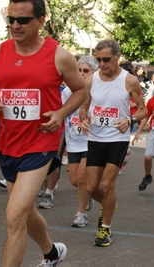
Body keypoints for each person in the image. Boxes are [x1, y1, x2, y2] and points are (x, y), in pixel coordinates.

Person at [0, 0, 87, 265]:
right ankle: (52, 253)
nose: (15, 25)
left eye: (23, 20)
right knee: (26, 213)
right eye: (11, 20)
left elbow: (81, 90)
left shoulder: (58, 55)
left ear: (40, 21)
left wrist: (61, 113)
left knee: (14, 215)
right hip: (8, 143)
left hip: (41, 142)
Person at [80, 39, 146, 247]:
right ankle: (109, 205)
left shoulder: (129, 81)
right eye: (99, 60)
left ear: (117, 57)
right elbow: (83, 107)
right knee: (91, 188)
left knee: (107, 185)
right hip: (95, 138)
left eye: (106, 59)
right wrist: (84, 119)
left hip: (117, 139)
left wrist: (129, 120)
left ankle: (105, 229)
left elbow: (143, 110)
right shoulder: (91, 80)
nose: (102, 64)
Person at [61, 55, 98, 227]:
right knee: (75, 181)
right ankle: (90, 196)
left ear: (93, 73)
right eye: (79, 70)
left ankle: (81, 214)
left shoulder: (98, 92)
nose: (82, 73)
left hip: (92, 141)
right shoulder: (68, 92)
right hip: (74, 142)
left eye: (86, 71)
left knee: (82, 177)